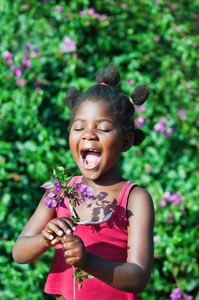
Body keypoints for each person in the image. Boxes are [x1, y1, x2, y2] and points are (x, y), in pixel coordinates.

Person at [12, 64, 154, 300]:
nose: (88, 134)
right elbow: (19, 252)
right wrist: (45, 237)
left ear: (127, 141)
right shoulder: (60, 191)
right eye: (79, 127)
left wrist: (87, 260)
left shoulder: (135, 200)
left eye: (103, 128)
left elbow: (138, 277)